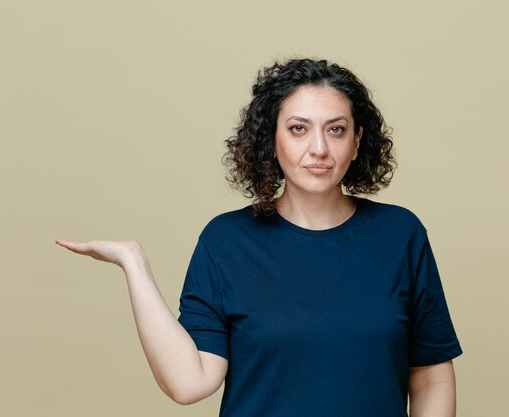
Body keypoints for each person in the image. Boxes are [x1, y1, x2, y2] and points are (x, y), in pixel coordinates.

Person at [56, 57, 463, 417]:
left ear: (357, 143)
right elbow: (189, 384)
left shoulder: (400, 234)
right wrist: (134, 264)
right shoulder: (226, 240)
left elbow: (430, 375)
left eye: (336, 130)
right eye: (298, 129)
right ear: (272, 140)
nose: (319, 148)